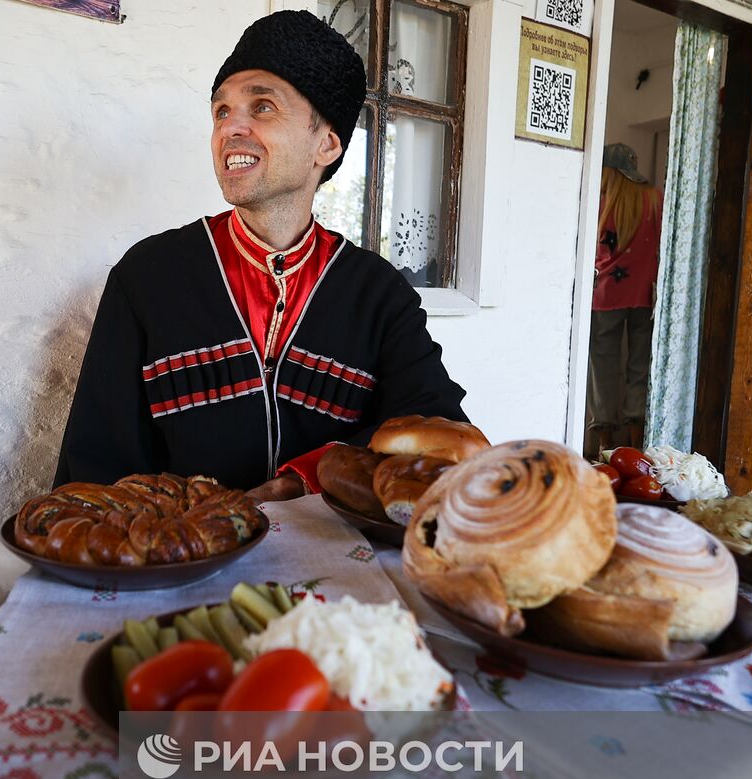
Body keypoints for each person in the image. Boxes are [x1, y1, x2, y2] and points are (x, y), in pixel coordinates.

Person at [52, 11, 470, 501]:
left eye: (263, 107)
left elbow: (441, 432)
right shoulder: (147, 279)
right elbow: (92, 473)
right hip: (183, 563)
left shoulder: (378, 295)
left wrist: (304, 480)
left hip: (335, 562)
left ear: (326, 144)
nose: (232, 128)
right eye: (222, 111)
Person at [586, 143, 664, 458]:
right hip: (644, 295)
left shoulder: (601, 202)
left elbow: (594, 253)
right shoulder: (655, 200)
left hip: (605, 296)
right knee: (639, 367)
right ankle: (635, 445)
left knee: (602, 367)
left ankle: (604, 446)